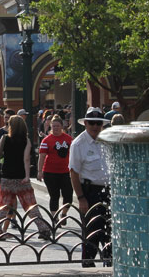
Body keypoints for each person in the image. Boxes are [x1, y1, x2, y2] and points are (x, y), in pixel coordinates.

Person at [0, 114, 49, 239]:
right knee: (30, 206)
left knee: (2, 205)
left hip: (7, 176)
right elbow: (26, 159)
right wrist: (27, 176)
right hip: (21, 178)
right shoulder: (26, 140)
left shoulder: (4, 138)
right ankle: (44, 229)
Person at [69, 107, 112, 267]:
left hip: (107, 191)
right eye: (92, 123)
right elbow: (73, 173)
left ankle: (109, 266)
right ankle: (88, 269)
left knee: (110, 233)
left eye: (98, 123)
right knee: (91, 233)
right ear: (85, 123)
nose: (95, 126)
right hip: (90, 192)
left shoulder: (107, 140)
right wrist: (81, 198)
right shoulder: (78, 144)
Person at [37, 115, 74, 228]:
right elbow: (42, 156)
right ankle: (55, 218)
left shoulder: (68, 139)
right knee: (54, 196)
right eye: (53, 126)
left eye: (58, 126)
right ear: (50, 127)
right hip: (50, 172)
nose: (56, 128)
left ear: (62, 127)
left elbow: (74, 155)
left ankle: (63, 214)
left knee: (68, 196)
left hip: (66, 172)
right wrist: (39, 171)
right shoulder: (46, 140)